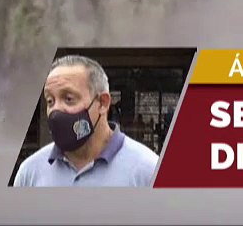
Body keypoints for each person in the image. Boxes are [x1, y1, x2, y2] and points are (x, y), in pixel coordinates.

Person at [13, 55, 159, 187]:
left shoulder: (148, 170)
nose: (56, 110)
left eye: (69, 99)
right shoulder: (30, 172)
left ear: (102, 103)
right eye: (50, 101)